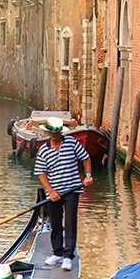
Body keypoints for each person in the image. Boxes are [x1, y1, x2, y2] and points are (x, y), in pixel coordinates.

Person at [32, 115, 93, 271]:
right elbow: (41, 173)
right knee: (55, 222)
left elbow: (86, 158)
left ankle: (68, 256)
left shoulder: (71, 143)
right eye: (52, 132)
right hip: (54, 192)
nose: (54, 135)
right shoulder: (44, 150)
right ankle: (57, 253)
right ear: (48, 133)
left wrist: (87, 176)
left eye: (57, 132)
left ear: (61, 132)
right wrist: (51, 191)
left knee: (70, 222)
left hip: (72, 189)